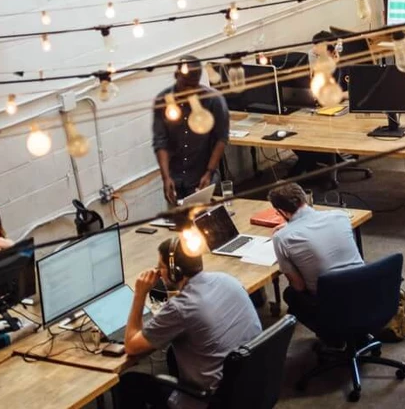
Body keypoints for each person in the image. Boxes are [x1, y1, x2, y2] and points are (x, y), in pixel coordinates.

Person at [118, 237, 262, 409]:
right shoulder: (227, 280)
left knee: (129, 383)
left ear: (175, 272)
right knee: (173, 352)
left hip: (213, 401)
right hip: (249, 385)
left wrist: (139, 295)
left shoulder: (181, 308)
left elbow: (132, 346)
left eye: (161, 268)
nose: (158, 273)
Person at [268, 183, 364, 333]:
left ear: (282, 212)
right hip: (364, 289)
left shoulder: (281, 238)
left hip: (331, 301)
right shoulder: (340, 216)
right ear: (304, 198)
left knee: (291, 294)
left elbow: (299, 286)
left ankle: (333, 336)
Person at [153, 55, 230, 205]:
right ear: (176, 76)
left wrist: (209, 172)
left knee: (207, 221)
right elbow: (160, 142)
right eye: (185, 84)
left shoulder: (213, 100)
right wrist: (166, 177)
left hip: (202, 176)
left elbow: (221, 139)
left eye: (193, 85)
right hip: (176, 178)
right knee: (178, 223)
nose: (189, 90)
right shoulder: (163, 101)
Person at [289, 31, 350, 185]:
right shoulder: (315, 67)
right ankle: (310, 163)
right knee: (292, 133)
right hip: (316, 109)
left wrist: (339, 95)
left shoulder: (343, 67)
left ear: (332, 51)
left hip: (339, 113)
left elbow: (357, 91)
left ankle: (293, 177)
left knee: (310, 133)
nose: (315, 55)